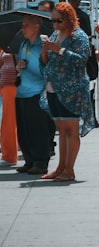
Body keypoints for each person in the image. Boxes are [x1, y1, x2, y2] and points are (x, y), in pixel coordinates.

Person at [39, 1, 96, 181]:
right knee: (62, 129)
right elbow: (46, 60)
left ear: (69, 19)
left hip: (72, 89)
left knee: (71, 129)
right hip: (54, 87)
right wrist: (45, 51)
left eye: (58, 20)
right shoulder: (55, 34)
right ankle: (61, 167)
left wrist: (60, 50)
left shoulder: (79, 36)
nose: (55, 24)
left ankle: (69, 170)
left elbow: (81, 60)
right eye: (53, 20)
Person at [14, 13, 55, 175]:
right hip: (22, 91)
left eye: (26, 25)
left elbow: (46, 68)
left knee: (37, 129)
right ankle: (29, 160)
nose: (22, 29)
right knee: (24, 130)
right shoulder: (24, 44)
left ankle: (40, 161)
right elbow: (19, 63)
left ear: (36, 26)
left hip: (37, 92)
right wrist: (19, 66)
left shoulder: (43, 45)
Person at [0, 46, 19, 167]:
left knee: (9, 122)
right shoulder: (4, 46)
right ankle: (8, 153)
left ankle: (10, 155)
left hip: (12, 87)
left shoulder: (19, 46)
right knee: (6, 122)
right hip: (4, 88)